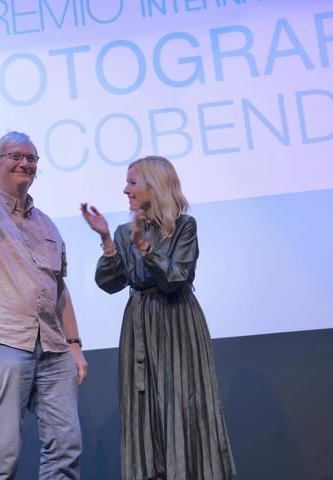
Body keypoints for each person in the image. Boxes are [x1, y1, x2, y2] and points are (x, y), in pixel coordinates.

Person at [0, 48, 88, 480]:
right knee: (1, 454)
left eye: (31, 158)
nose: (25, 162)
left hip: (54, 349)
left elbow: (59, 289)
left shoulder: (47, 224)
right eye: (15, 156)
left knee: (65, 450)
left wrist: (76, 345)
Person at [80, 156, 235, 480]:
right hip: (139, 328)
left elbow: (176, 278)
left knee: (181, 403)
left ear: (154, 185)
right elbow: (109, 283)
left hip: (177, 323)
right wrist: (108, 240)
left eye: (132, 182)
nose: (126, 189)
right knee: (143, 410)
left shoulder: (184, 226)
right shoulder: (124, 232)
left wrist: (146, 249)